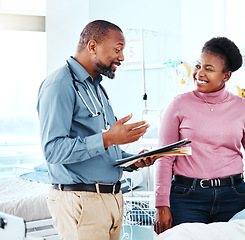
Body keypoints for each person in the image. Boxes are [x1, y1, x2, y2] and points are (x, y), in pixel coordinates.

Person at [37, 20, 158, 240]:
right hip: (82, 201)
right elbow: (53, 150)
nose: (122, 57)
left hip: (111, 199)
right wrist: (109, 137)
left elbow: (102, 147)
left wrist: (131, 161)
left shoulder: (97, 88)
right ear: (92, 46)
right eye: (118, 49)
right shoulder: (60, 85)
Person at [153, 37, 245, 234]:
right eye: (198, 65)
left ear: (226, 76)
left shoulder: (243, 108)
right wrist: (161, 204)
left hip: (233, 196)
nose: (199, 73)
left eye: (209, 69)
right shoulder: (178, 105)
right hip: (187, 197)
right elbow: (165, 157)